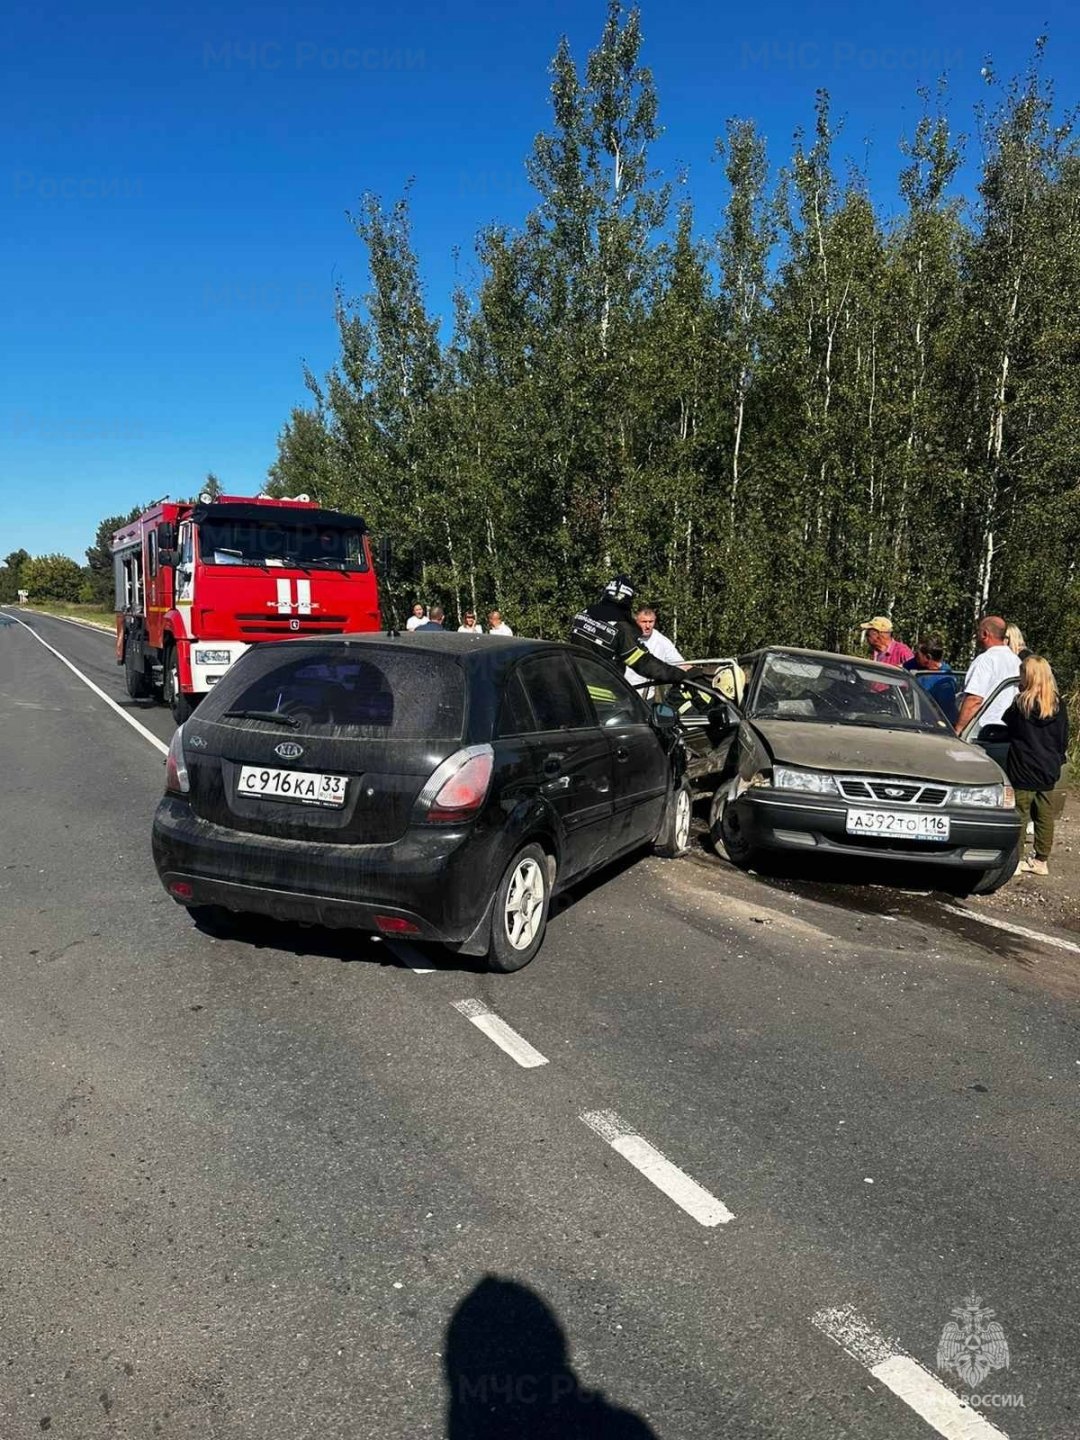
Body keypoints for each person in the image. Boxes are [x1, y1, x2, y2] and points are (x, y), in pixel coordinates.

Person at [570, 576, 711, 711]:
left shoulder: (583, 614)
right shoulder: (621, 627)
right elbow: (643, 662)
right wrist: (680, 675)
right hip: (604, 700)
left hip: (576, 690)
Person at [1003, 655, 1068, 875]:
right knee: (1044, 814)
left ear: (1028, 677)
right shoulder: (1058, 704)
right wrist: (1057, 760)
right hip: (1048, 767)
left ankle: (1016, 861)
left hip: (1023, 766)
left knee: (1020, 813)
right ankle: (1041, 860)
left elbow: (1009, 728)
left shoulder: (1021, 704)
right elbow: (1063, 738)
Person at [955, 614, 1022, 734]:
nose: (976, 637)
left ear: (985, 634)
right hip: (1009, 729)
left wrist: (959, 729)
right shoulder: (1016, 660)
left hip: (983, 731)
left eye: (978, 632)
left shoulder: (985, 660)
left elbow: (974, 699)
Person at [903, 633, 959, 725]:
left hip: (932, 725)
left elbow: (945, 711)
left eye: (917, 655)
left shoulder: (945, 680)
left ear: (928, 657)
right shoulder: (913, 665)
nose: (915, 657)